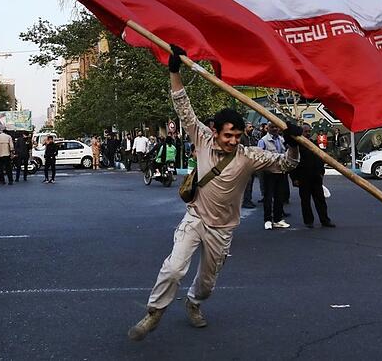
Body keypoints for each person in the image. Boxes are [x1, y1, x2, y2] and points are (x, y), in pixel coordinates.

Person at [127, 45, 301, 341]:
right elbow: (183, 107)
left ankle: (194, 304)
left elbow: (286, 164)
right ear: (214, 131)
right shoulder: (202, 140)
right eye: (227, 134)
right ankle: (154, 312)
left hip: (223, 229)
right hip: (195, 219)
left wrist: (293, 142)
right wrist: (174, 71)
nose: (232, 140)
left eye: (237, 135)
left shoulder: (250, 155)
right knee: (173, 269)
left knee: (207, 284)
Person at [290, 124, 335, 228]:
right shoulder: (296, 145)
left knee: (320, 200)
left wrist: (321, 173)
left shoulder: (313, 143)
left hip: (315, 177)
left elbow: (320, 158)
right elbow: (292, 163)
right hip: (303, 177)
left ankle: (325, 220)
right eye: (306, 132)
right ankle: (308, 221)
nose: (308, 133)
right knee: (305, 201)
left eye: (309, 131)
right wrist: (295, 178)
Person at [258, 124, 293, 228]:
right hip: (269, 172)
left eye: (276, 127)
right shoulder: (263, 140)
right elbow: (260, 156)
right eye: (272, 127)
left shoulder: (281, 139)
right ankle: (268, 219)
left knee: (279, 196)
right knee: (268, 197)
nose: (275, 129)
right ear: (268, 128)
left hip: (281, 171)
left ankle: (278, 219)